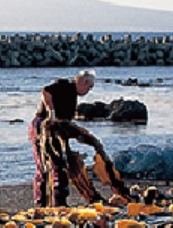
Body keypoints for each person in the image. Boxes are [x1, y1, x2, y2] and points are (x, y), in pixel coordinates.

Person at [30, 69, 126, 206]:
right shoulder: (65, 86)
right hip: (43, 126)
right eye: (89, 87)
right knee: (45, 163)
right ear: (83, 82)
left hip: (60, 129)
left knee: (63, 163)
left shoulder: (73, 94)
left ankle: (59, 200)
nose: (89, 91)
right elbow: (46, 91)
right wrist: (51, 112)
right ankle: (41, 200)